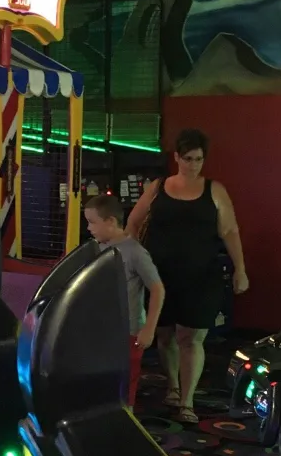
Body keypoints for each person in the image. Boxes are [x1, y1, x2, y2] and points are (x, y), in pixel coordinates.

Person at [126, 128, 248, 423]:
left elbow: (230, 231)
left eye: (199, 159)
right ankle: (172, 386)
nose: (193, 165)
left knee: (192, 337)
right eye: (188, 159)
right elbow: (133, 222)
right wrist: (135, 261)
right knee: (165, 334)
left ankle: (187, 401)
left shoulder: (214, 190)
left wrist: (241, 269)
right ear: (177, 158)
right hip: (160, 275)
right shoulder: (158, 187)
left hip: (200, 275)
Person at [84, 194, 166, 408]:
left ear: (111, 221)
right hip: (102, 330)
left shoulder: (135, 252)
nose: (88, 228)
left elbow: (157, 289)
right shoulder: (95, 249)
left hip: (128, 331)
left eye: (92, 222)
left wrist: (148, 329)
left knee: (125, 383)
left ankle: (125, 417)